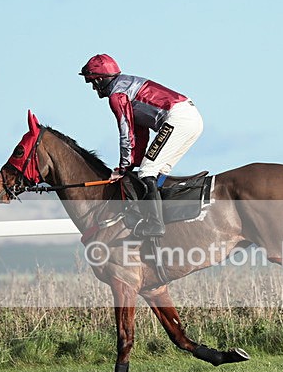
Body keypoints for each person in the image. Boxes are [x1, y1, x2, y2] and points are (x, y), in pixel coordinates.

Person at [79, 54, 203, 237]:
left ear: (99, 79)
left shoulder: (117, 95)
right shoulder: (127, 84)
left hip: (178, 119)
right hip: (192, 117)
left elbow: (126, 132)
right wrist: (132, 163)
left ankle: (155, 224)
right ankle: (161, 216)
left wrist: (123, 167)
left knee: (147, 171)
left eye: (91, 82)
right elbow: (140, 133)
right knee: (158, 170)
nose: (92, 87)